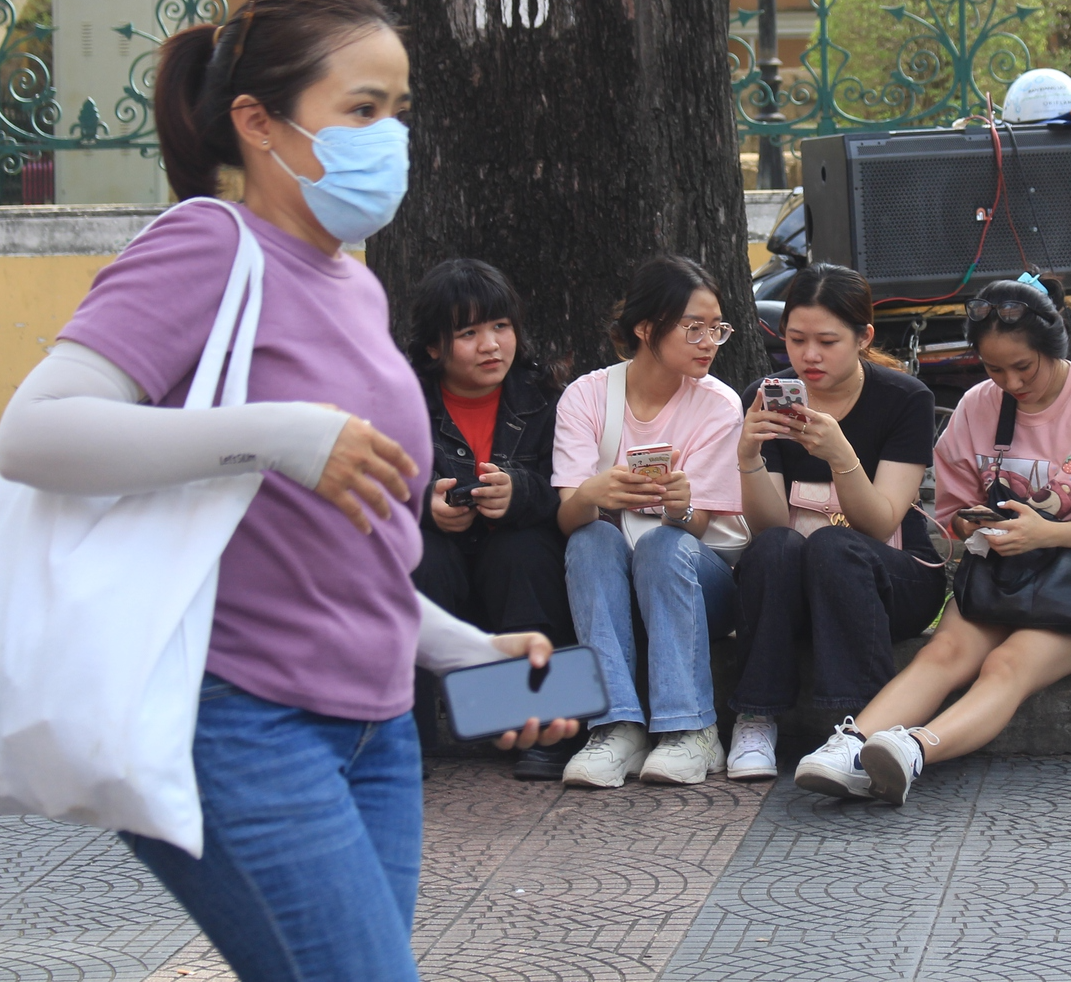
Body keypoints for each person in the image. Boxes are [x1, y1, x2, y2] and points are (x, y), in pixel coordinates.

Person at [0, 0, 576, 982]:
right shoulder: (206, 245)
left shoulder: (353, 280)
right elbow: (33, 435)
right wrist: (276, 435)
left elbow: (346, 557)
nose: (389, 136)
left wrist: (467, 649)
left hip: (377, 730)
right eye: (360, 109)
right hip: (239, 722)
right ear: (258, 122)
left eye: (397, 111)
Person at [794, 275, 1071, 806]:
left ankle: (912, 750)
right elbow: (951, 514)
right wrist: (972, 525)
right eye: (995, 369)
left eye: (1024, 367)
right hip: (1005, 570)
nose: (1012, 384)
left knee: (1007, 665)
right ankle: (849, 747)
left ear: (1052, 347)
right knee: (943, 653)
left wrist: (1049, 533)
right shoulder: (979, 404)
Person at [729, 265, 946, 781]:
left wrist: (840, 455)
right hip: (802, 581)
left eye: (827, 341)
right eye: (796, 340)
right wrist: (749, 456)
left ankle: (860, 727)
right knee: (778, 547)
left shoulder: (905, 399)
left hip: (893, 576)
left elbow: (880, 522)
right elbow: (768, 529)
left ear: (863, 337)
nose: (809, 356)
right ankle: (756, 717)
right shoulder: (769, 393)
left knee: (833, 544)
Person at [553, 254, 747, 788]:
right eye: (693, 328)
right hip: (618, 571)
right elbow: (570, 519)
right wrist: (593, 491)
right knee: (590, 538)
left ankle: (693, 731)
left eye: (717, 328)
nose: (709, 341)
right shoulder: (587, 396)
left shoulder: (720, 405)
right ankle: (617, 727)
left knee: (665, 545)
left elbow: (704, 528)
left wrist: (680, 506)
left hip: (701, 581)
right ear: (645, 328)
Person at [405, 258, 572, 780]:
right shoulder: (401, 400)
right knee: (420, 559)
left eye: (501, 327)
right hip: (444, 564)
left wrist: (519, 493)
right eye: (468, 332)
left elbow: (568, 488)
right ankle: (407, 737)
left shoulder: (545, 398)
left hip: (513, 567)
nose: (491, 345)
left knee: (521, 552)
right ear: (434, 346)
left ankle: (528, 725)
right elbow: (373, 487)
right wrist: (423, 506)